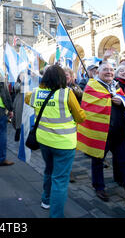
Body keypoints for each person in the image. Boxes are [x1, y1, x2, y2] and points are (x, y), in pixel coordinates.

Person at [76, 62, 125, 207]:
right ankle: (99, 186)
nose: (109, 72)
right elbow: (89, 106)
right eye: (105, 69)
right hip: (101, 134)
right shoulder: (92, 86)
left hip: (119, 133)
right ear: (97, 72)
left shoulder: (116, 86)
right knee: (98, 160)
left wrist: (121, 101)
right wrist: (110, 100)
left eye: (112, 70)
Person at [25, 65, 86, 218]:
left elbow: (27, 99)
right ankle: (56, 215)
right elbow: (81, 117)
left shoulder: (35, 93)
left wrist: (42, 86)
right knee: (60, 179)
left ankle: (46, 200)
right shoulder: (67, 93)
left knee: (48, 170)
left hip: (44, 140)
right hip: (64, 143)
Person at [11, 72, 25, 142]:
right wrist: (23, 81)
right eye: (21, 75)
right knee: (17, 121)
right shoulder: (17, 84)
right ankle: (17, 136)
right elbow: (20, 88)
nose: (23, 76)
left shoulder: (27, 83)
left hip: (25, 105)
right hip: (19, 105)